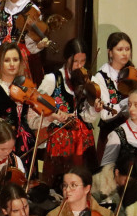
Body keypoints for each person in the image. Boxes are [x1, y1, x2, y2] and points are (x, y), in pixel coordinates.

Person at [32, 38, 101, 183]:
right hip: (60, 144)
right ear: (67, 59)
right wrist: (53, 116)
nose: (79, 66)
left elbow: (87, 118)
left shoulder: (87, 80)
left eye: (83, 61)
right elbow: (35, 111)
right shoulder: (52, 79)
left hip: (82, 144)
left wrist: (94, 109)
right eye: (75, 61)